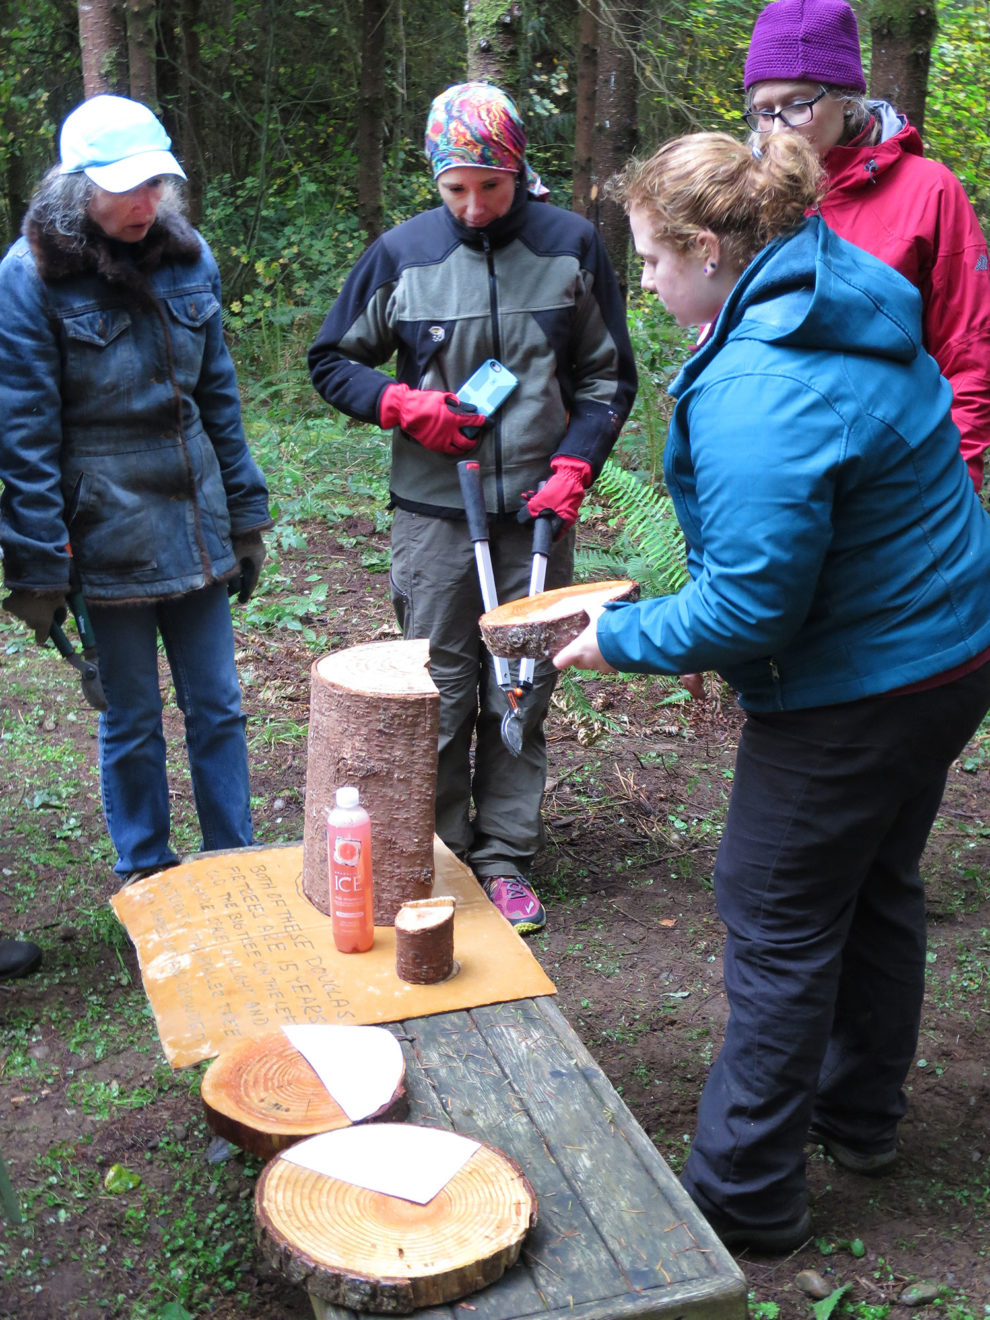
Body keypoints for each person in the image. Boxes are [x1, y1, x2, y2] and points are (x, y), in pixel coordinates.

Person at [554, 129, 990, 1253]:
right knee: (880, 885)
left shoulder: (764, 386)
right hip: (951, 654)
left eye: (650, 259)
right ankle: (860, 1118)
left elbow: (752, 609)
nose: (642, 281)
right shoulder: (838, 279)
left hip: (861, 689)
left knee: (781, 918)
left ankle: (746, 1199)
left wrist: (621, 636)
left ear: (707, 247)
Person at [308, 82, 637, 934]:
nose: (475, 205)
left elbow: (608, 377)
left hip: (537, 508)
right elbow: (332, 361)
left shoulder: (570, 247)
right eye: (456, 188)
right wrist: (400, 405)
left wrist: (577, 463)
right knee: (444, 686)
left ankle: (506, 856)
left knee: (524, 682)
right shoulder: (402, 255)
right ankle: (443, 852)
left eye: (490, 185)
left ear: (517, 168)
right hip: (435, 511)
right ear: (436, 178)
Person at [0, 95, 272, 885]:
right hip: (103, 525)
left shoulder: (191, 258)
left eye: (156, 184)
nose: (143, 203)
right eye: (124, 187)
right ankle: (147, 872)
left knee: (218, 704)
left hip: (196, 514)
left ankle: (235, 861)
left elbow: (218, 396)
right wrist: (40, 564)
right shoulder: (28, 277)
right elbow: (25, 430)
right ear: (76, 186)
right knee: (131, 717)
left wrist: (246, 516)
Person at [741, 0, 990, 493]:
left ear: (846, 97)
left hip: (896, 476)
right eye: (763, 111)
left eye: (797, 104)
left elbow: (966, 348)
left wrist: (956, 482)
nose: (778, 129)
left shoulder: (929, 190)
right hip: (775, 474)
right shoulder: (746, 193)